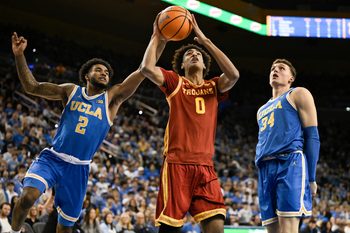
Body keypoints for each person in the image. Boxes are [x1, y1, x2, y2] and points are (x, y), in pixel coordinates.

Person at [10, 32, 160, 233]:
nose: (104, 73)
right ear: (87, 75)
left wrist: (160, 39)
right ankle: (13, 231)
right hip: (53, 158)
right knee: (28, 196)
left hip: (79, 168)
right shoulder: (71, 91)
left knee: (65, 228)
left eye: (107, 71)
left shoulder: (111, 99)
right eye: (98, 70)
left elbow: (144, 70)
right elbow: (32, 87)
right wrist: (19, 55)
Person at [140, 13, 239, 233]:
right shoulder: (175, 82)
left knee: (216, 228)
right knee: (170, 229)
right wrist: (157, 36)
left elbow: (233, 75)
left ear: (205, 65)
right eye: (188, 54)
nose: (193, 54)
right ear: (182, 66)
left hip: (206, 167)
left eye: (197, 54)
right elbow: (147, 68)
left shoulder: (214, 86)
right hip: (177, 164)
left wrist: (205, 42)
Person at [255, 59, 320, 233]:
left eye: (281, 68)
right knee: (272, 230)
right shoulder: (261, 110)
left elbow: (312, 135)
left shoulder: (298, 94)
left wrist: (311, 178)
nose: (275, 70)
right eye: (272, 68)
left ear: (291, 78)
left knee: (288, 228)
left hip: (289, 163)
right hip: (265, 170)